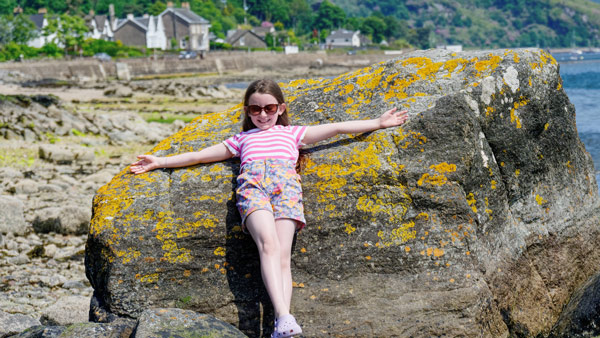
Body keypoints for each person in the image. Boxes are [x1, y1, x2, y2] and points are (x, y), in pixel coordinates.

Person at [130, 79, 409, 337]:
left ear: (281, 108)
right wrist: (160, 161)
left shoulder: (292, 133)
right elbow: (199, 156)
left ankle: (281, 324)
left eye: (269, 108)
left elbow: (336, 128)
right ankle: (285, 315)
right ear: (247, 111)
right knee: (268, 246)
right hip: (253, 191)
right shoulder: (241, 139)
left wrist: (379, 123)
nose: (262, 115)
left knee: (283, 258)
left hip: (286, 191)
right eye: (255, 109)